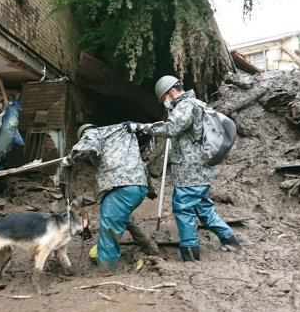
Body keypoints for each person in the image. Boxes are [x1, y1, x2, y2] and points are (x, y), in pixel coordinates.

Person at [125, 75, 243, 262]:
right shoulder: (195, 104)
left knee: (183, 208)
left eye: (164, 97)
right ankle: (230, 240)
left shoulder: (186, 105)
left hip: (190, 171)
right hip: (200, 170)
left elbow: (171, 128)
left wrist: (141, 127)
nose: (165, 101)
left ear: (171, 91)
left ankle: (189, 254)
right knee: (205, 210)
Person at [62, 123, 159, 270]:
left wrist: (69, 159)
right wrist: (149, 189)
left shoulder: (95, 133)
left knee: (108, 230)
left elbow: (87, 144)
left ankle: (105, 271)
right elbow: (141, 166)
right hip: (138, 188)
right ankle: (150, 248)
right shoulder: (121, 137)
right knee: (123, 218)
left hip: (121, 187)